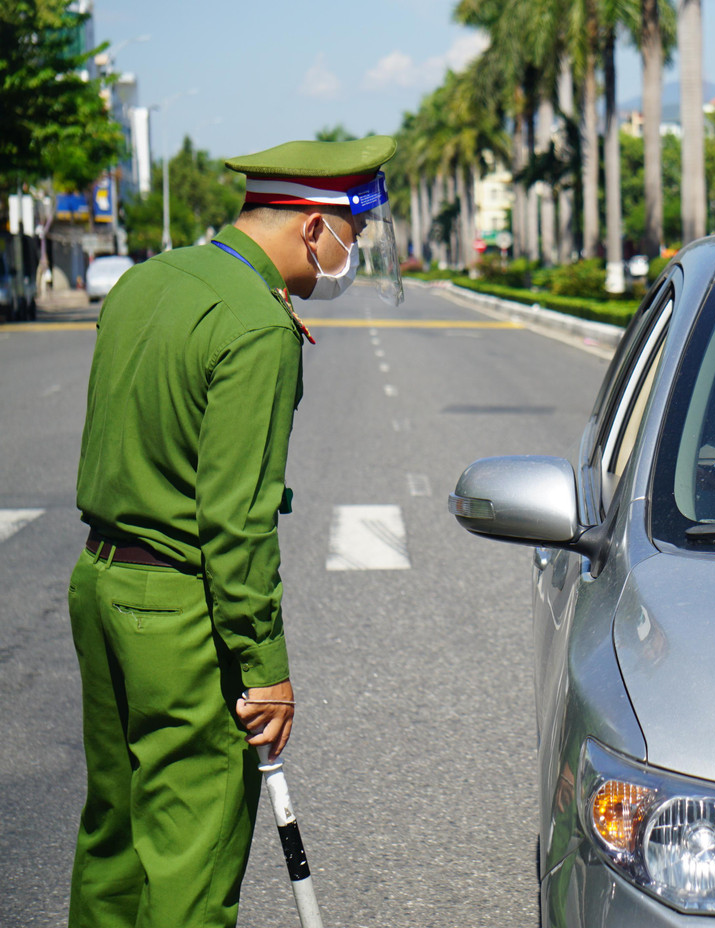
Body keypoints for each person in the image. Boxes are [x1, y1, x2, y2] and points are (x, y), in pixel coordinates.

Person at [67, 135, 401, 928]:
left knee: (114, 836)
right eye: (350, 235)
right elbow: (236, 524)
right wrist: (266, 669)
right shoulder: (258, 327)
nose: (349, 256)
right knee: (191, 857)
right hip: (179, 616)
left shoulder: (151, 280)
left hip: (100, 586)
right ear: (312, 224)